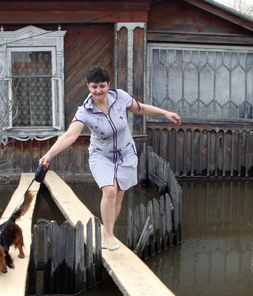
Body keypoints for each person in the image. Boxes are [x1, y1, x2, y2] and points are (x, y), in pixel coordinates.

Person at [39, 66, 180, 251]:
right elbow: (69, 136)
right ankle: (110, 236)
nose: (98, 91)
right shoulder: (85, 111)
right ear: (88, 86)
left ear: (108, 85)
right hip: (101, 154)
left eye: (102, 86)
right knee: (110, 191)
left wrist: (165, 113)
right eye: (94, 87)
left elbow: (141, 108)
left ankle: (106, 232)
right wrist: (48, 154)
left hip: (126, 153)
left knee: (119, 194)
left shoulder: (120, 97)